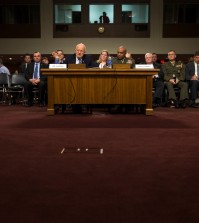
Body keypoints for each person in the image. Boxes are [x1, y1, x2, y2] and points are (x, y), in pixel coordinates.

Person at [65, 43, 95, 113]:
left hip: (84, 81)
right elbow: (63, 67)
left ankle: (82, 104)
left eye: (81, 51)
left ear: (84, 52)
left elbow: (93, 66)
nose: (79, 52)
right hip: (70, 81)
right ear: (75, 51)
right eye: (77, 50)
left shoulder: (88, 58)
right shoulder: (69, 58)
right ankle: (71, 104)